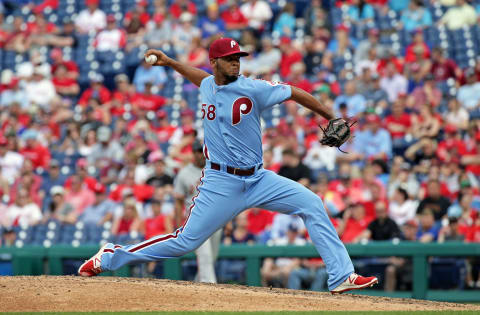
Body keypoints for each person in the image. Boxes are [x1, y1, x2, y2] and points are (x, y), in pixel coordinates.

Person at [79, 37, 378, 294]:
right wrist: (170, 63)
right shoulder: (208, 84)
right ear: (215, 62)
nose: (236, 62)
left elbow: (293, 91)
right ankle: (110, 256)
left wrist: (329, 115)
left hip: (259, 179)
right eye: (229, 59)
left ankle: (341, 276)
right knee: (184, 241)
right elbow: (198, 76)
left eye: (238, 57)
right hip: (220, 183)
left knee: (312, 203)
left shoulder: (253, 88)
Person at [174, 139, 221, 283]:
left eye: (205, 150)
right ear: (193, 153)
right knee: (205, 256)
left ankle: (198, 286)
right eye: (199, 151)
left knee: (211, 257)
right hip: (195, 219)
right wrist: (178, 225)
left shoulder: (215, 169)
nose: (203, 154)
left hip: (215, 218)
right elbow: (178, 202)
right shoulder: (184, 173)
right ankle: (211, 290)